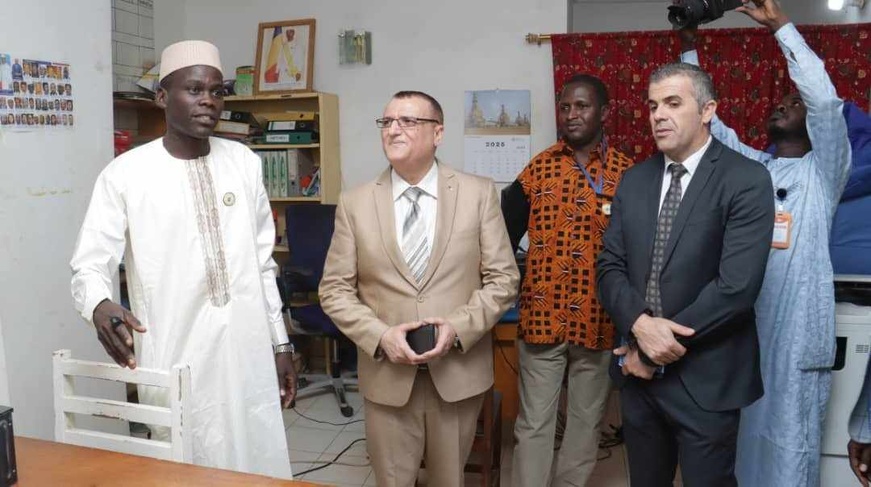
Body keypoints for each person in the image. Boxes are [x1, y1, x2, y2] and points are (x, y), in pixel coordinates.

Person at [69, 40, 295, 478]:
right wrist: (98, 304)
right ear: (161, 97)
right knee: (182, 461)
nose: (208, 100)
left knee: (257, 455)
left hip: (246, 351)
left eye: (217, 90)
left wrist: (281, 342)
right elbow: (91, 261)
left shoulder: (244, 163)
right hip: (176, 354)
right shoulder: (126, 174)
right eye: (193, 90)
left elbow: (264, 264)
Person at [679, 1, 851, 485]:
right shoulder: (752, 169)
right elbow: (707, 130)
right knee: (743, 449)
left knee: (790, 451)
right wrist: (690, 43)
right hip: (746, 336)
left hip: (798, 340)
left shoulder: (824, 173)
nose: (783, 104)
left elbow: (824, 101)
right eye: (780, 101)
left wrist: (780, 26)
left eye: (792, 103)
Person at [319, 90, 519, 487]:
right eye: (387, 121)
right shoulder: (355, 202)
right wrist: (379, 336)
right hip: (387, 376)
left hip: (456, 373)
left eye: (408, 121)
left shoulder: (478, 193)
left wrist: (457, 329)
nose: (394, 129)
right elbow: (334, 290)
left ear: (438, 133)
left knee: (450, 481)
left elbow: (504, 279)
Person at [596, 61, 774, 486]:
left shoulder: (746, 179)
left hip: (707, 379)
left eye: (673, 103)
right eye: (653, 105)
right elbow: (609, 267)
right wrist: (640, 327)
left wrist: (655, 346)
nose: (658, 114)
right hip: (638, 378)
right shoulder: (634, 180)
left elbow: (736, 287)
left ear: (708, 110)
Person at [502, 74, 634, 487]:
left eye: (582, 106)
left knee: (584, 424)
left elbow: (639, 252)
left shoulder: (628, 175)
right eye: (565, 107)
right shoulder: (538, 169)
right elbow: (502, 235)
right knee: (533, 424)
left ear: (605, 112)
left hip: (598, 321)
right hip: (542, 319)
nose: (572, 114)